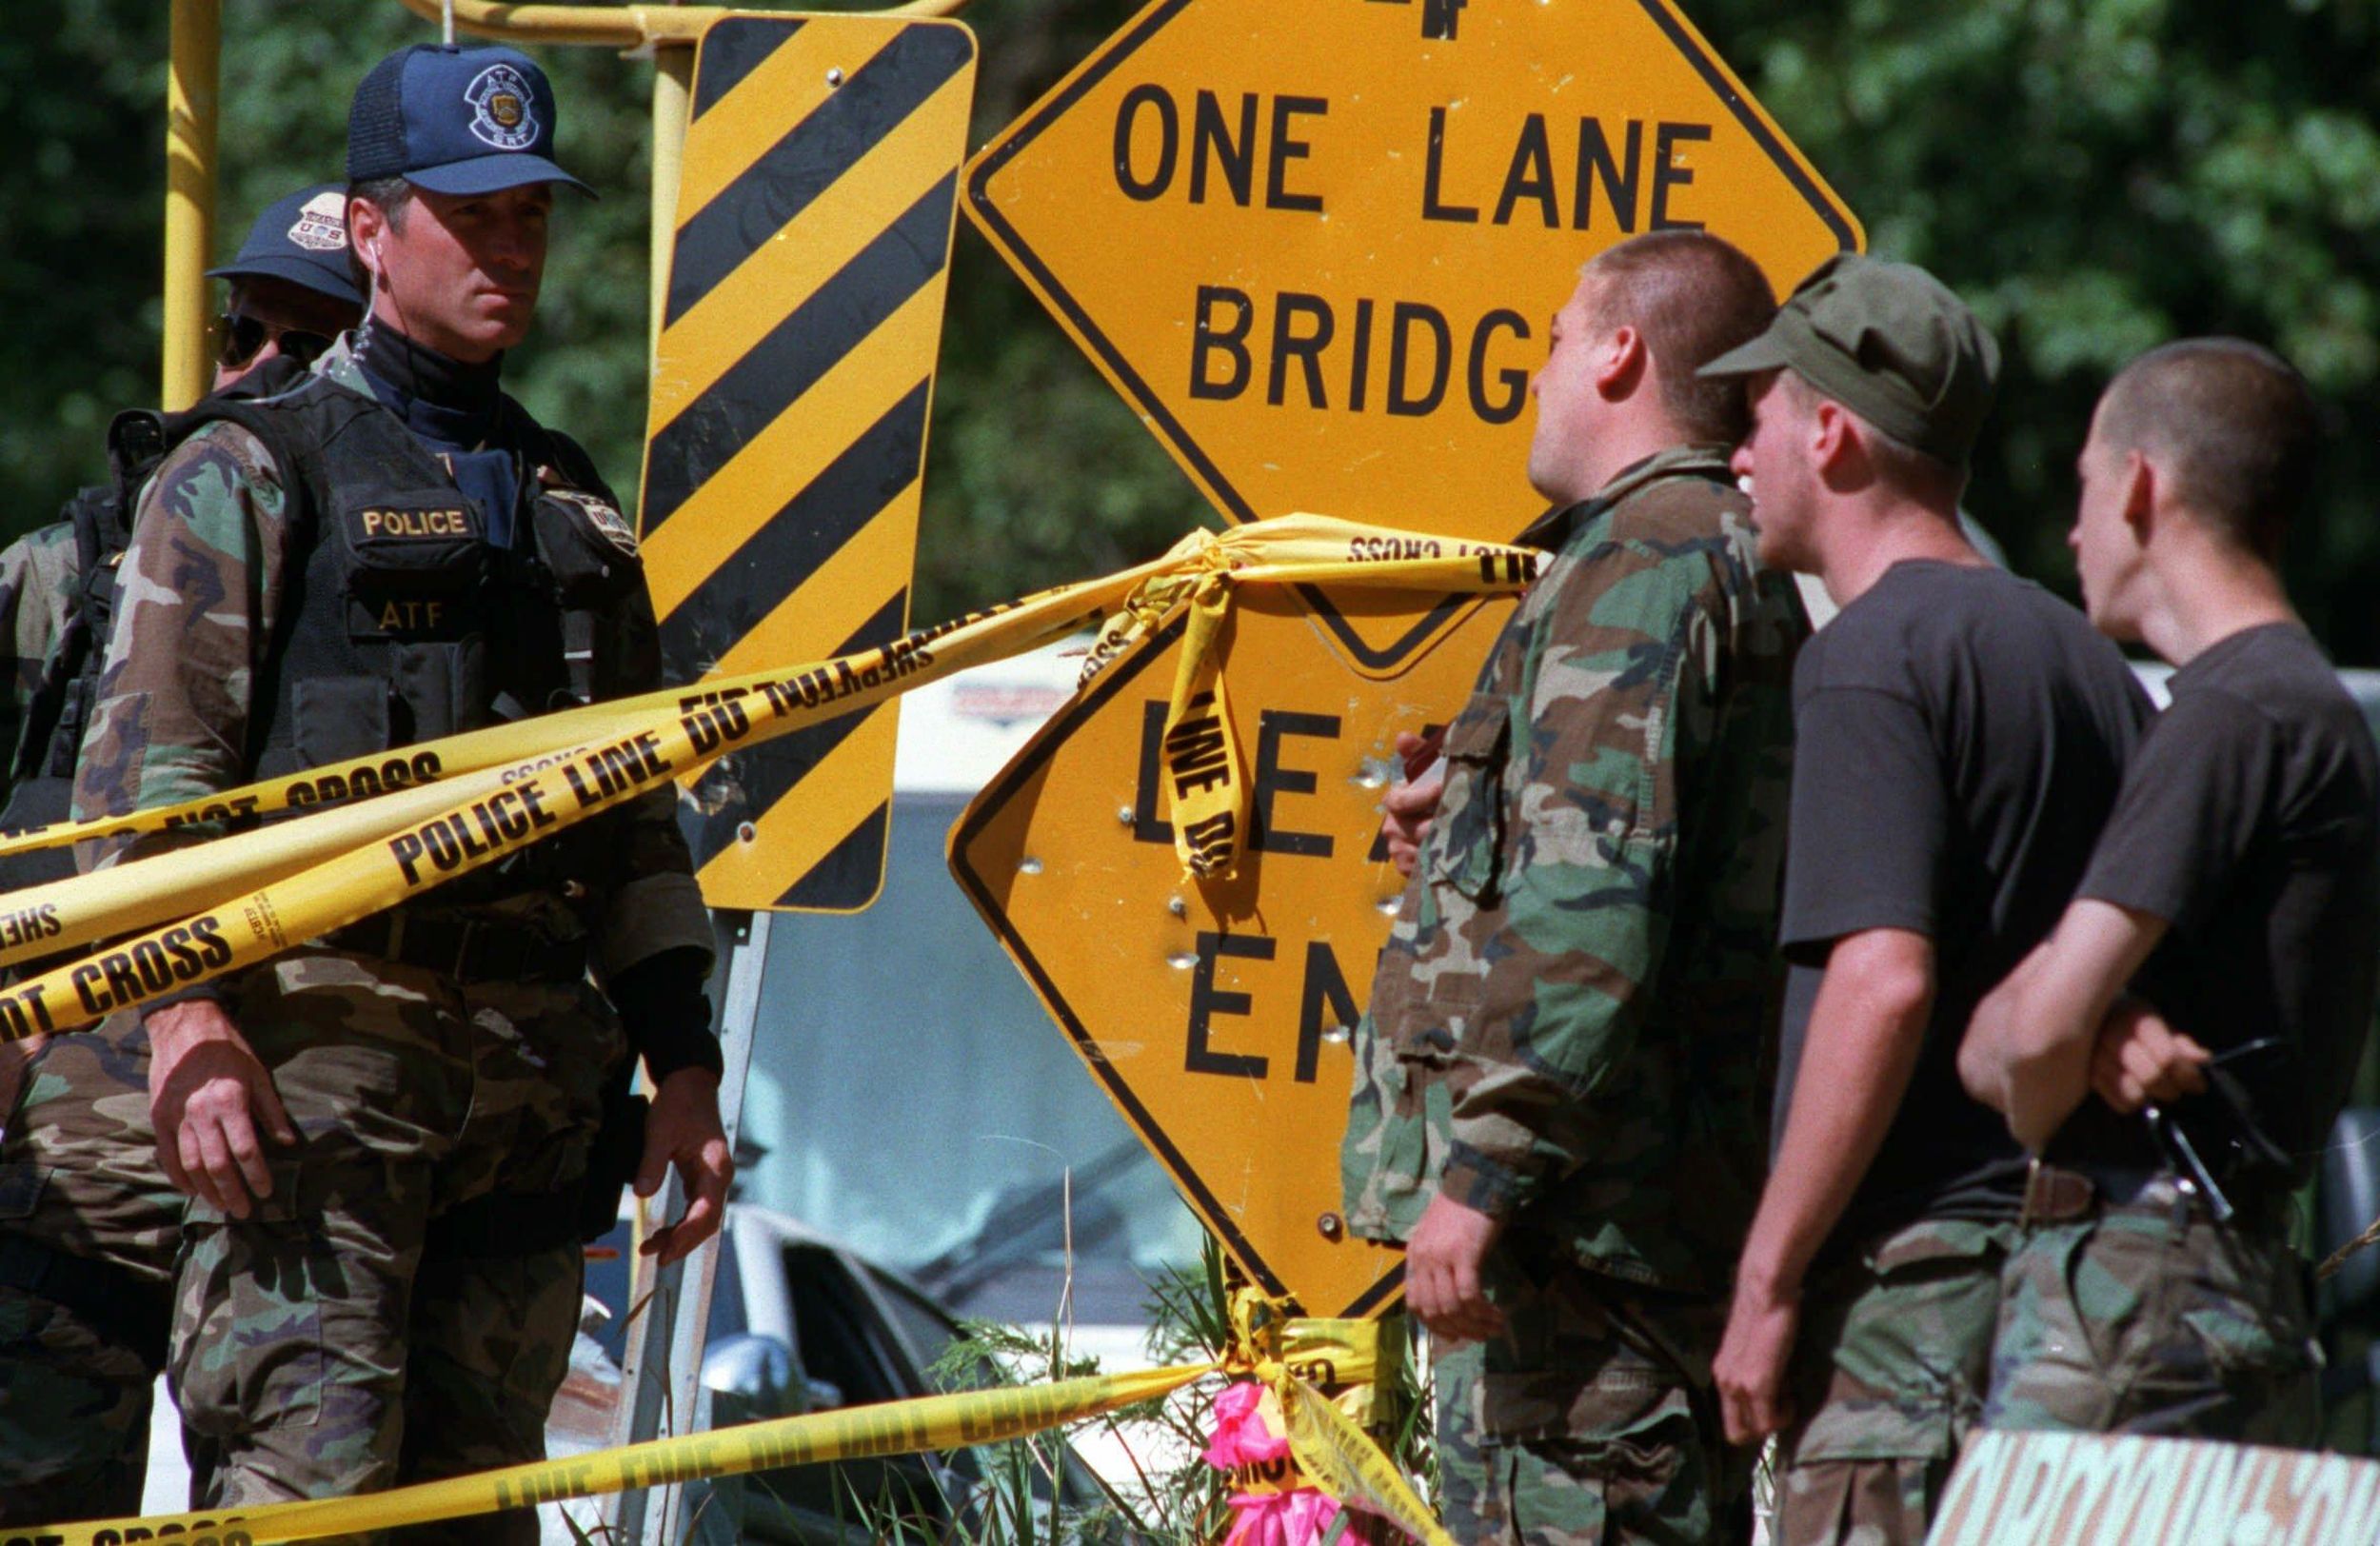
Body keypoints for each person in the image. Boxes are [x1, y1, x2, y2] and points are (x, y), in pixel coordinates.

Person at [65, 45, 729, 1532]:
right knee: (307, 1506)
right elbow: (144, 800)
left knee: (476, 1515)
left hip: (531, 1107)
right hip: (314, 1095)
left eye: (530, 217)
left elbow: (634, 823)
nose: (511, 247)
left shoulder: (573, 508)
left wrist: (682, 1064)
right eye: (471, 214)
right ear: (373, 231)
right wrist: (186, 1027)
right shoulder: (248, 472)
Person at [1342, 228, 1807, 1545]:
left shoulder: (1647, 563)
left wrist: (1480, 1175)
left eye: (1552, 340)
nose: (1533, 374)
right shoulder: (1701, 550)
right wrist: (1468, 814)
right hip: (1618, 1259)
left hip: (1589, 1269)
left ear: (1621, 354)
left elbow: (1598, 917)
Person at [1697, 254, 2152, 1545]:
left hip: (1920, 1321)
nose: (1739, 455)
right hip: (2083, 1311)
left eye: (1760, 418)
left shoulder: (1869, 657)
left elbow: (1883, 979)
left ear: (1830, 433)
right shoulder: (2084, 660)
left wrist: (1768, 1280)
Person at [0, 182, 364, 1527]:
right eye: (243, 335)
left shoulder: (383, 558)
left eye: (307, 342)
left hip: (296, 1103)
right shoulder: (70, 566)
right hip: (66, 1115)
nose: (260, 372)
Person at [1958, 339, 2375, 1443]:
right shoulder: (2293, 706)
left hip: (2138, 1293)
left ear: (2142, 484)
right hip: (2218, 1277)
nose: (2071, 529)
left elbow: (2020, 1053)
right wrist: (2089, 1017)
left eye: (2086, 485)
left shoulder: (2233, 712)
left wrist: (2066, 1026)